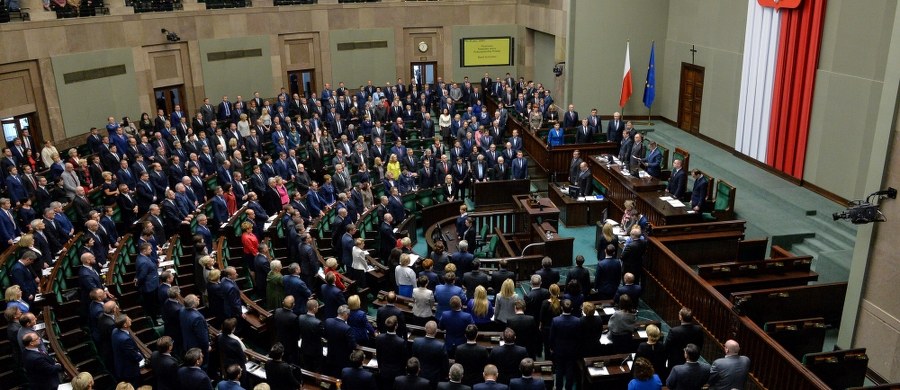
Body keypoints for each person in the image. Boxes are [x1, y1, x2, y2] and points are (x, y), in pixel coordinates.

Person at [376, 315, 410, 389]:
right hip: (397, 373)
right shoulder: (401, 342)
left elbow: (378, 355)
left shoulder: (379, 338)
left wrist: (380, 367)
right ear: (396, 326)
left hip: (384, 370)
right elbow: (404, 359)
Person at [111, 315, 143, 387]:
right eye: (128, 319)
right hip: (129, 371)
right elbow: (134, 356)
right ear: (125, 325)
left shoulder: (115, 330)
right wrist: (141, 356)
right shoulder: (125, 339)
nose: (131, 319)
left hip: (120, 365)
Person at [324, 305, 356, 376]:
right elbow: (353, 345)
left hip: (330, 355)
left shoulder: (328, 321)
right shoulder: (347, 328)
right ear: (345, 314)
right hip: (342, 360)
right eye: (348, 314)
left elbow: (325, 335)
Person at [297, 300, 324, 372]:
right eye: (317, 307)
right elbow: (322, 335)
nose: (318, 308)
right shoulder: (318, 322)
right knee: (316, 369)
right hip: (316, 351)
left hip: (304, 347)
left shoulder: (300, 317)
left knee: (306, 368)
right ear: (314, 308)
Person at [273, 296, 300, 365]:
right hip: (289, 345)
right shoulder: (294, 317)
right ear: (293, 305)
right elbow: (296, 333)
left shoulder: (277, 311)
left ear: (283, 303)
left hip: (278, 339)